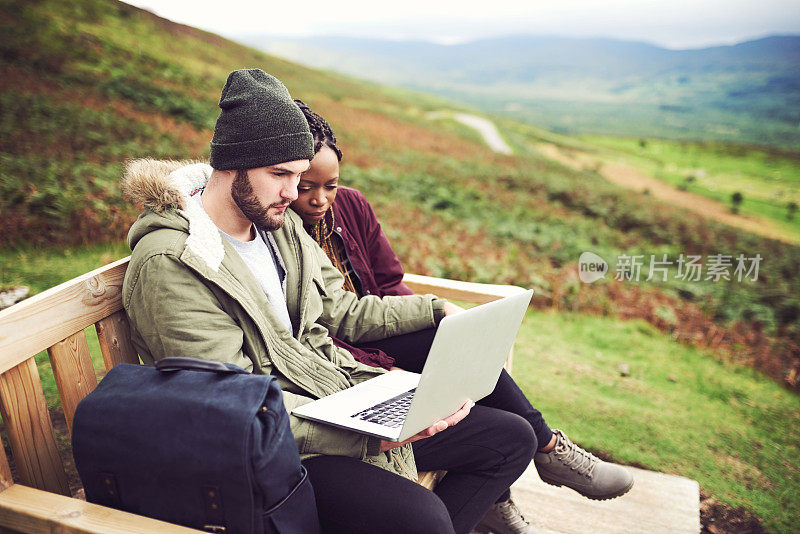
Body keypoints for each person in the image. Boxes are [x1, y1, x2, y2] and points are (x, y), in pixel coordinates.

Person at [121, 68, 537, 534]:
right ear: (230, 166)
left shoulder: (277, 226)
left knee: (509, 439)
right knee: (422, 519)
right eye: (279, 174)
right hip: (267, 446)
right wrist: (366, 436)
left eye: (297, 175)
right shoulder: (176, 263)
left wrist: (436, 310)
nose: (291, 192)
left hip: (329, 396)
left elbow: (342, 310)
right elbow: (230, 407)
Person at [289, 100, 635, 533]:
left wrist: (434, 321)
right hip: (343, 362)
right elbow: (318, 326)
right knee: (439, 344)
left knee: (446, 339)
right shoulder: (279, 228)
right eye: (305, 187)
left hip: (383, 339)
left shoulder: (352, 207)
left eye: (331, 185)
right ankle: (548, 449)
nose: (319, 199)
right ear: (284, 176)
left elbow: (391, 281)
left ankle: (513, 475)